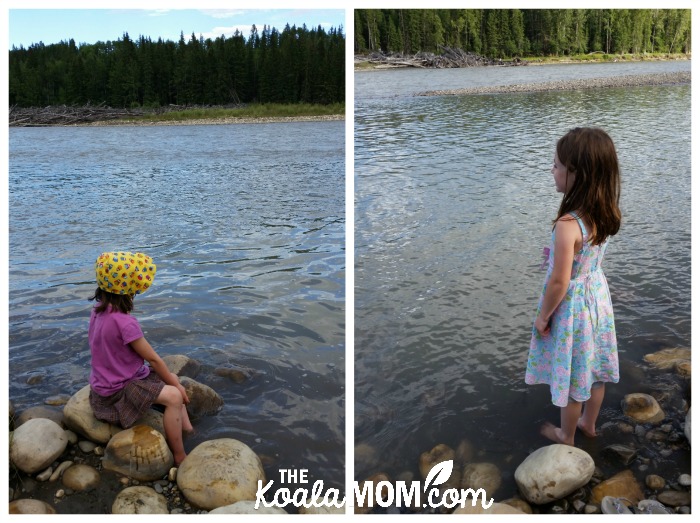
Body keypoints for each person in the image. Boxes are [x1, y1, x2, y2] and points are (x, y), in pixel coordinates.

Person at [525, 127, 621, 446]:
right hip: (596, 299)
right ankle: (589, 425)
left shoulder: (568, 225)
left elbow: (559, 281)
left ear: (576, 173)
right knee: (593, 368)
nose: (551, 171)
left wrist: (542, 317)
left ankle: (566, 435)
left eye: (556, 165)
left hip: (573, 308)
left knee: (571, 375)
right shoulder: (603, 213)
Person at [88, 251, 193, 465]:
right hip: (117, 393)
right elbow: (154, 360)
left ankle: (189, 430)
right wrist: (178, 388)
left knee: (170, 377)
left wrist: (171, 380)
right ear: (129, 290)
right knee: (174, 395)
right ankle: (180, 455)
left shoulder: (98, 311)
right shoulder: (125, 323)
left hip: (103, 386)